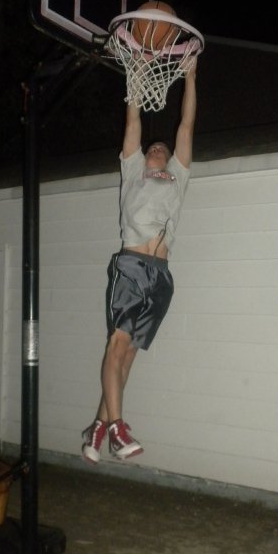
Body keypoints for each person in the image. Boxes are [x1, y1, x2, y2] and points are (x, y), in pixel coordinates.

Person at [81, 56, 198, 464]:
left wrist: (191, 75)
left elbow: (185, 126)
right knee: (117, 344)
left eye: (161, 148)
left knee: (126, 357)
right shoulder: (133, 173)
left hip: (161, 277)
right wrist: (135, 75)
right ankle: (117, 429)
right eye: (153, 146)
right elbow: (133, 124)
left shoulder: (177, 177)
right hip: (131, 267)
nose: (157, 146)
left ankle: (96, 427)